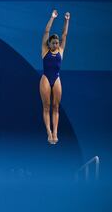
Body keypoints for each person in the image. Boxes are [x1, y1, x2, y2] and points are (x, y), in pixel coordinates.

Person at [39, 9, 70, 144]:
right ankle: (48, 132)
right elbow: (46, 32)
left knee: (56, 107)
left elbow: (64, 34)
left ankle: (55, 132)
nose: (56, 44)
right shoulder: (45, 50)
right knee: (46, 106)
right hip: (46, 78)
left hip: (56, 78)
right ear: (49, 44)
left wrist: (66, 20)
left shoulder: (60, 51)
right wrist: (52, 18)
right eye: (53, 43)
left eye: (57, 43)